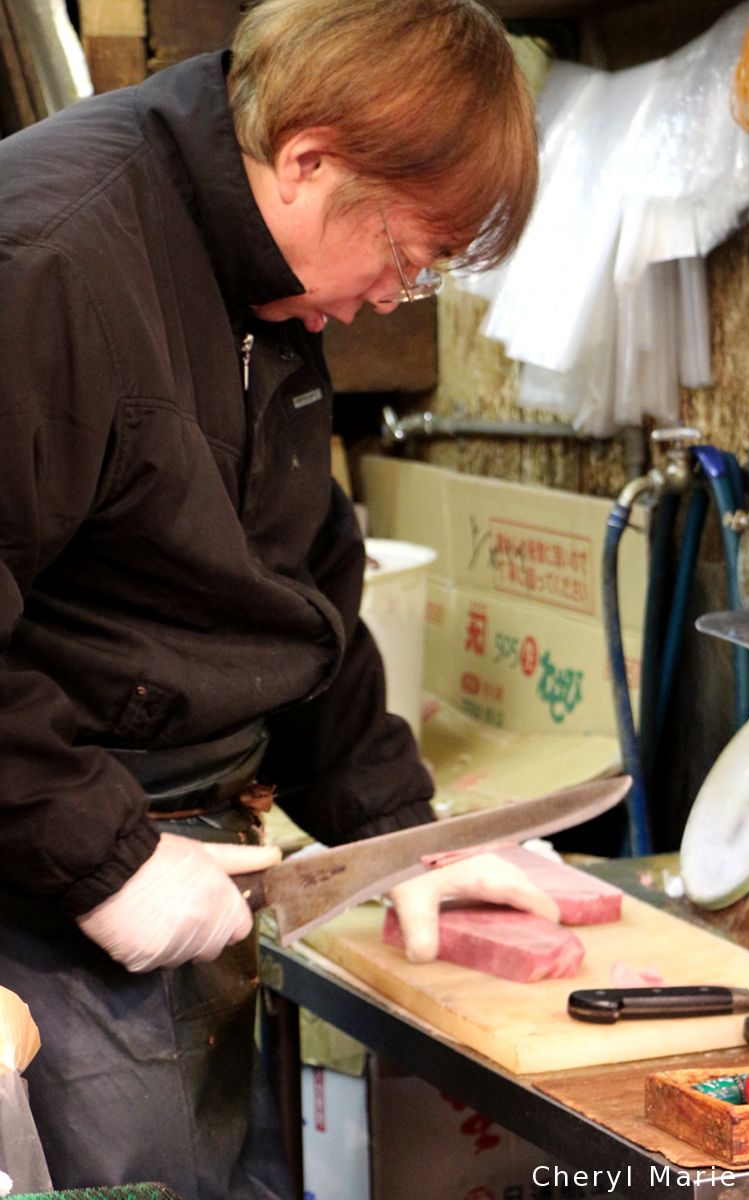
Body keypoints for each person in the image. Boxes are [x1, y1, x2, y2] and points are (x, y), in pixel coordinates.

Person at [0, 2, 556, 1198]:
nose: (384, 301)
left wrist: (400, 836)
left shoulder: (266, 274)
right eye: (405, 261)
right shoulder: (49, 257)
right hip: (45, 870)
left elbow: (294, 598)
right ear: (308, 159)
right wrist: (104, 862)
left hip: (190, 863)